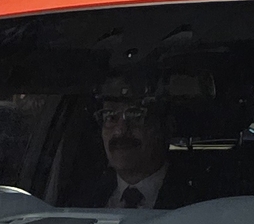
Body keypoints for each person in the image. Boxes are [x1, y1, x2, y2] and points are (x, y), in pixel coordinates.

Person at [81, 79, 203, 210]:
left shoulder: (199, 201)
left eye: (135, 116)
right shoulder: (81, 199)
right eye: (110, 117)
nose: (119, 131)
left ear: (165, 127)